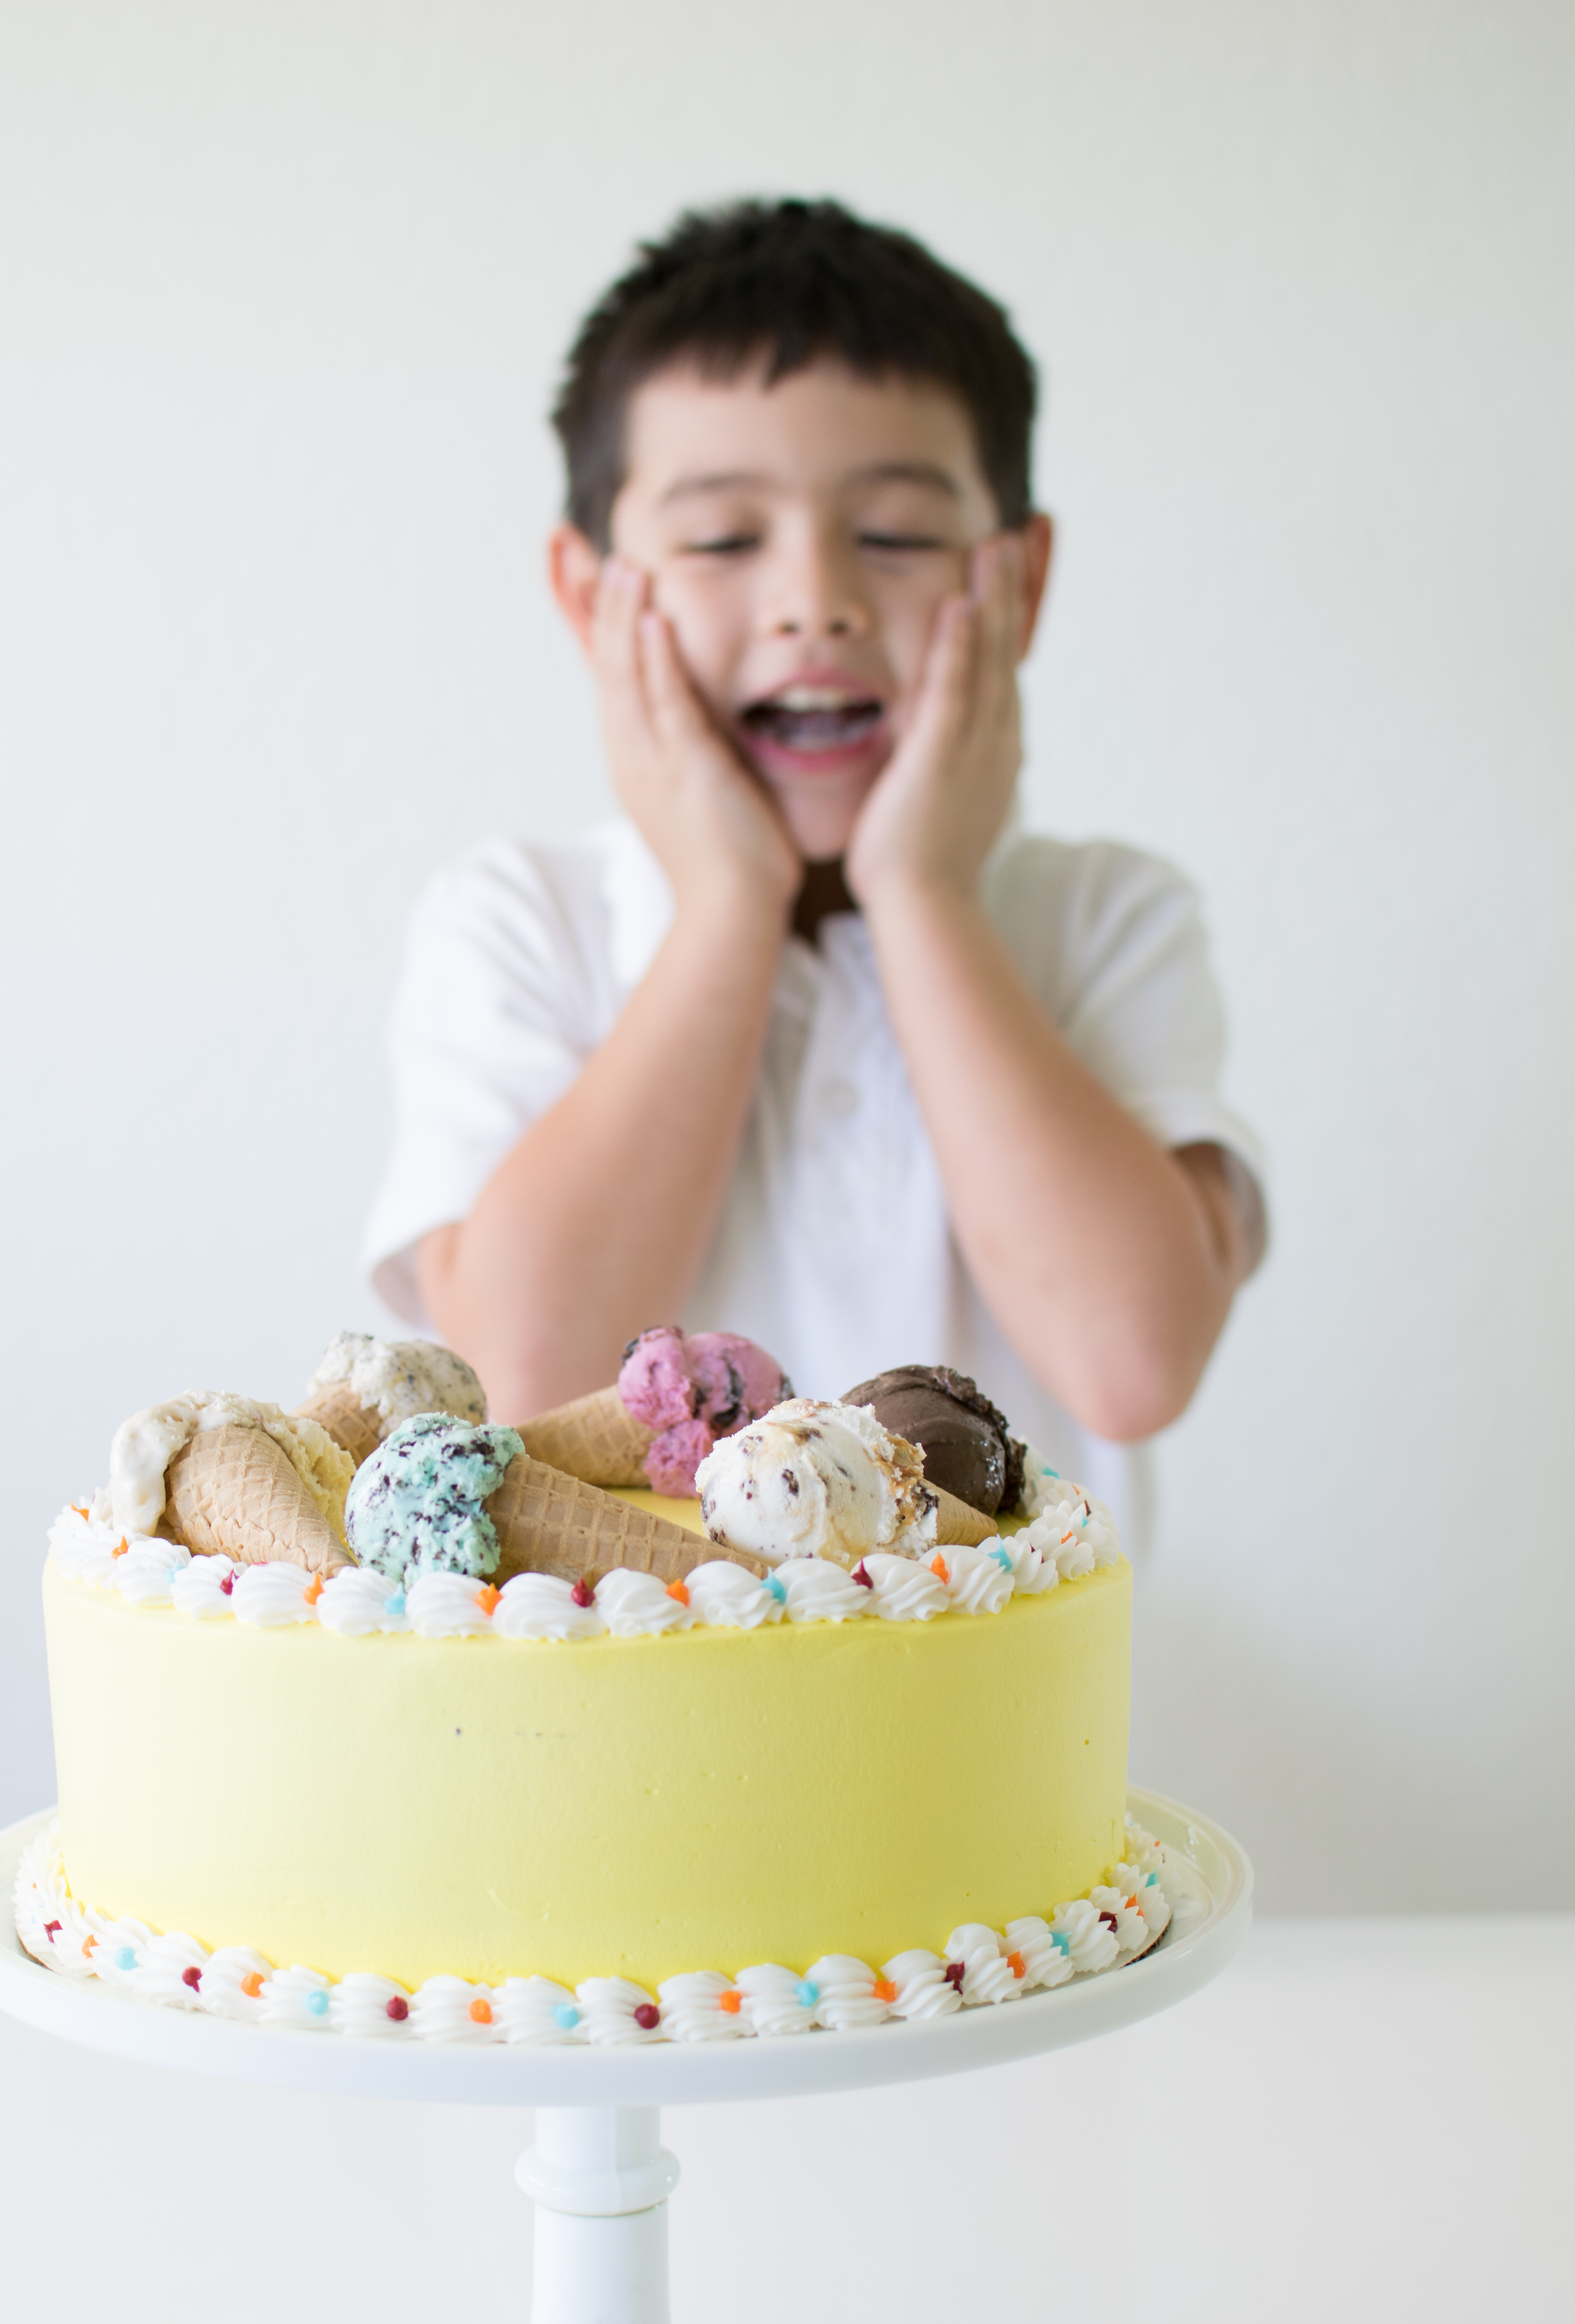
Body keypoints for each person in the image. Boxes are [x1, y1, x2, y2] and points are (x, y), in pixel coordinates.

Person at [362, 198, 1265, 1547]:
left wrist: (928, 898)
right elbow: (522, 1376)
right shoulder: (522, 924)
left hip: (999, 1742)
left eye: (894, 535)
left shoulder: (1101, 922)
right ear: (590, 594)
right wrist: (728, 909)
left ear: (1019, 582)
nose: (814, 601)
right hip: (617, 1737)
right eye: (726, 541)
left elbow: (1132, 1363)